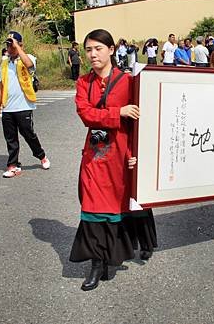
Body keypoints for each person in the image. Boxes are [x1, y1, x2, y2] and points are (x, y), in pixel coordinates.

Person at [69, 29, 140, 291]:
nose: (92, 54)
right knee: (92, 208)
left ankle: (112, 258)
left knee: (115, 209)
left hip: (120, 154)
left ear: (111, 49)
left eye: (98, 48)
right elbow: (86, 114)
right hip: (94, 156)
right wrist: (117, 112)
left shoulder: (129, 81)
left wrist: (136, 154)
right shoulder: (83, 83)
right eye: (88, 49)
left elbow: (138, 122)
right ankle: (96, 265)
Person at [0, 31, 50, 178]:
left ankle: (41, 155)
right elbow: (0, 85)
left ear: (20, 45)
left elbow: (29, 65)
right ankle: (13, 165)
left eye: (11, 44)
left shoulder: (28, 57)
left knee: (28, 134)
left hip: (24, 106)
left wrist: (17, 47)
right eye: (8, 45)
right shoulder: (4, 62)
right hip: (8, 107)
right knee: (10, 138)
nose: (9, 48)